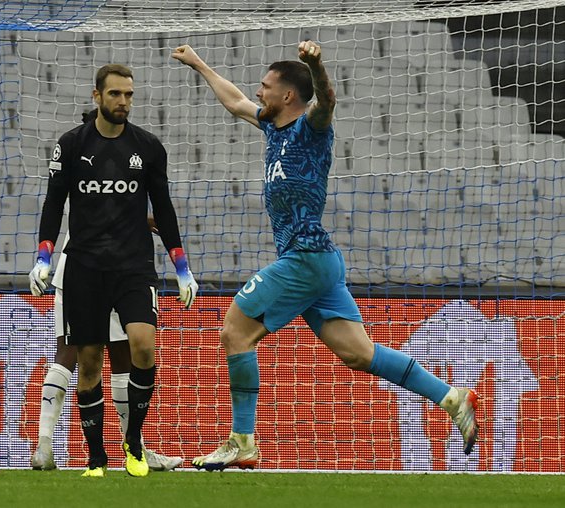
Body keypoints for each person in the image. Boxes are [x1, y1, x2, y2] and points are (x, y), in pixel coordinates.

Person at [172, 41, 479, 471]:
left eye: (265, 87)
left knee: (234, 331)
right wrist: (200, 63)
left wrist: (316, 65)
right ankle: (452, 397)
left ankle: (242, 441)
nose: (258, 93)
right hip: (321, 263)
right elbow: (235, 102)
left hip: (305, 257)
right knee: (359, 354)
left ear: (288, 96)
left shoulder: (311, 128)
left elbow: (327, 100)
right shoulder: (271, 125)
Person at [29, 64, 198, 478]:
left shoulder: (149, 147)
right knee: (87, 361)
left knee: (141, 346)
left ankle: (133, 443)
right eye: (116, 94)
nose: (123, 101)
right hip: (83, 267)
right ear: (97, 97)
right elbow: (54, 205)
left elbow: (164, 207)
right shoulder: (70, 146)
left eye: (128, 95)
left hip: (133, 267)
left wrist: (182, 267)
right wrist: (43, 257)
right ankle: (93, 458)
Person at [29, 229, 183, 473]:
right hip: (114, 261)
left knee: (67, 351)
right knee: (121, 358)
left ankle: (43, 447)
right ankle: (136, 449)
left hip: (74, 263)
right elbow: (114, 208)